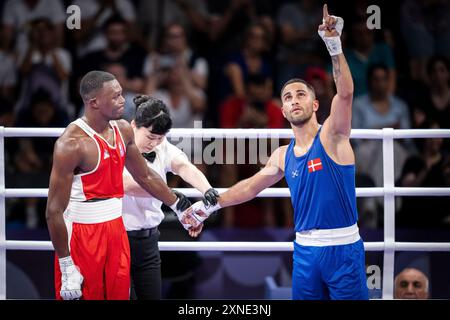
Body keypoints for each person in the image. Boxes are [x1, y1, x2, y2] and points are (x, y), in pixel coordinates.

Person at [186, 5, 369, 300]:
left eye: (301, 94)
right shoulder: (283, 155)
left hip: (343, 249)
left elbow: (345, 93)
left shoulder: (333, 135)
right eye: (287, 97)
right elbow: (250, 187)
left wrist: (334, 45)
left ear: (315, 104)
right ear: (282, 111)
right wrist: (210, 206)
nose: (294, 100)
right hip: (305, 252)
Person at [45, 70, 195, 300]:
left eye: (121, 94)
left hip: (116, 230)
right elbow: (53, 211)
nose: (123, 100)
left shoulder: (123, 129)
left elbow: (144, 176)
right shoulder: (71, 145)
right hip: (83, 235)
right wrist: (66, 264)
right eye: (115, 96)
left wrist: (178, 205)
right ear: (94, 102)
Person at [122, 94, 219, 300]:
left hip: (149, 241)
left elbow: (184, 166)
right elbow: (128, 185)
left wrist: (207, 190)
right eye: (150, 137)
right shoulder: (117, 147)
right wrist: (173, 197)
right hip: (118, 240)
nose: (154, 143)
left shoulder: (161, 145)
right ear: (134, 125)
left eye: (160, 137)